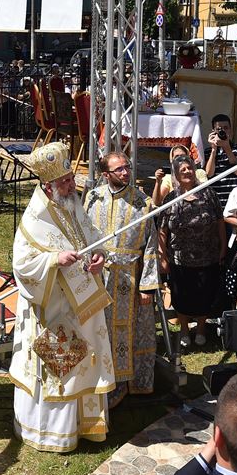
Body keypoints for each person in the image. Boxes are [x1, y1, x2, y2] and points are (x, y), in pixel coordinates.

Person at [9, 141, 115, 452]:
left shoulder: (72, 204)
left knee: (86, 359)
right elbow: (22, 265)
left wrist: (100, 256)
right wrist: (54, 260)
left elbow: (92, 236)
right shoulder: (35, 219)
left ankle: (87, 425)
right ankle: (53, 432)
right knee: (60, 367)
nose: (71, 185)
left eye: (70, 178)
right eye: (65, 181)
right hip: (53, 307)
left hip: (83, 301)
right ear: (48, 185)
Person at [83, 151, 159, 406]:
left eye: (127, 167)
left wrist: (147, 286)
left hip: (129, 278)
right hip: (98, 276)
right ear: (106, 174)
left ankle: (127, 384)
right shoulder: (93, 198)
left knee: (128, 331)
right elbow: (83, 235)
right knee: (100, 331)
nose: (126, 172)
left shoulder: (142, 202)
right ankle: (101, 383)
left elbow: (151, 245)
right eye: (119, 169)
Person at [159, 155, 227, 349]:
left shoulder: (209, 194)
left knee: (204, 295)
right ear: (176, 174)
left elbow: (219, 222)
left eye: (189, 168)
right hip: (179, 258)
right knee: (181, 296)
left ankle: (201, 329)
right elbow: (162, 230)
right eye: (182, 170)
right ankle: (183, 329)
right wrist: (162, 257)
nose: (187, 172)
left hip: (207, 256)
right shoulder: (171, 198)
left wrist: (223, 247)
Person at [203, 114, 237, 203]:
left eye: (226, 128)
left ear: (230, 130)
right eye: (219, 129)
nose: (223, 131)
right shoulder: (208, 152)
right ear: (213, 131)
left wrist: (226, 147)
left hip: (235, 199)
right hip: (216, 199)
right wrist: (214, 149)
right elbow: (209, 174)